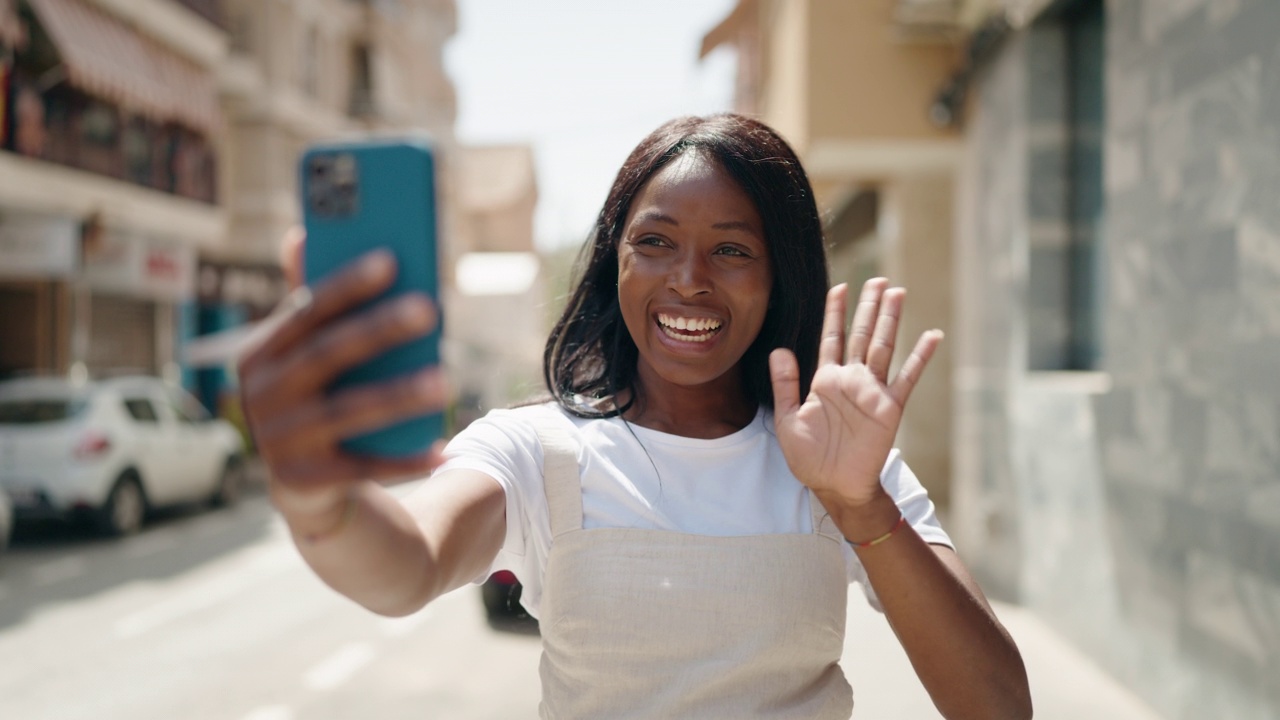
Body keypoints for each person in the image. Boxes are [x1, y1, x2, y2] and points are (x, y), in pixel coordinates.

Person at [238, 113, 1032, 719]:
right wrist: (319, 503)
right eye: (655, 242)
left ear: (778, 273)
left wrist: (861, 506)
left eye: (731, 250)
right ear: (614, 256)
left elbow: (997, 704)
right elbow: (408, 564)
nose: (688, 280)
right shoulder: (537, 449)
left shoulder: (840, 461)